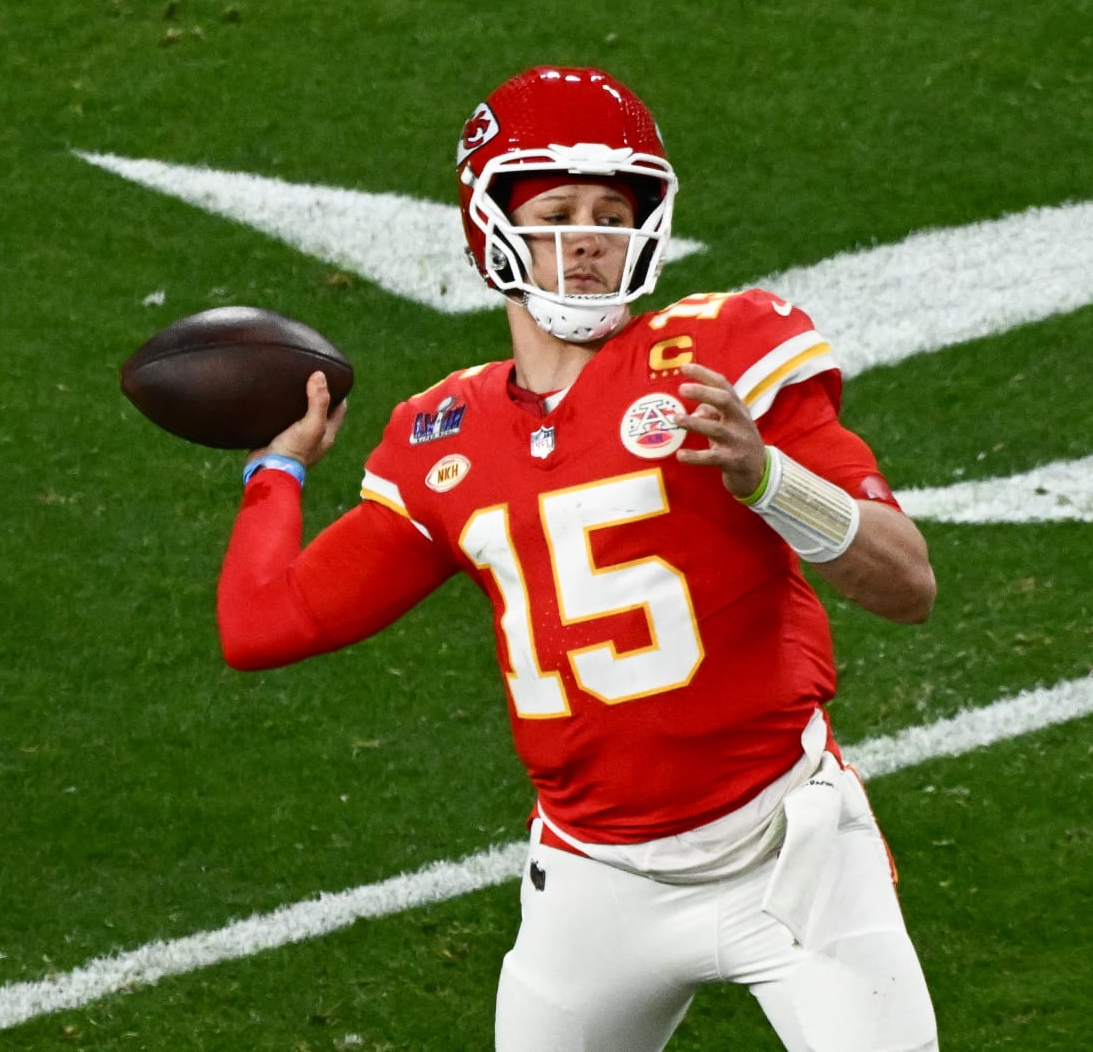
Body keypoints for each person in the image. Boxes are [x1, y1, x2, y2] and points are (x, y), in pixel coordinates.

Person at [217, 65, 940, 1052]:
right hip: (594, 884)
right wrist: (277, 472)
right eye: (557, 210)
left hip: (790, 850)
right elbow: (263, 623)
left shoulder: (721, 354)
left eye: (612, 209)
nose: (591, 236)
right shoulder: (443, 436)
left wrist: (770, 477)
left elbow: (907, 585)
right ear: (493, 233)